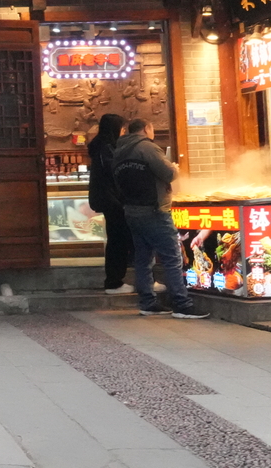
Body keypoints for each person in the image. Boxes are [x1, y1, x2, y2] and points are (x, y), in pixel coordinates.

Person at [113, 119, 209, 319]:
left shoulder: (119, 151)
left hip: (131, 210)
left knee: (143, 259)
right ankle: (182, 304)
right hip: (155, 210)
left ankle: (147, 303)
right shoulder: (147, 148)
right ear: (147, 128)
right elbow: (169, 173)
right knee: (172, 258)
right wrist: (174, 167)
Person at [88, 114, 134, 294]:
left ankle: (116, 280)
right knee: (118, 240)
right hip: (112, 200)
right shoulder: (106, 148)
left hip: (110, 200)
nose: (123, 133)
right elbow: (114, 171)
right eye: (122, 129)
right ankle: (114, 282)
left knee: (117, 239)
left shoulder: (101, 146)